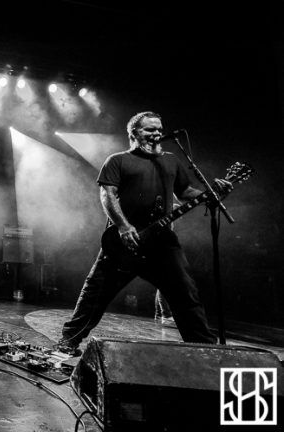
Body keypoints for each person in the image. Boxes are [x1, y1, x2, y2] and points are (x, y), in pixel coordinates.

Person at [57, 111, 232, 356]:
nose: (157, 133)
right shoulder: (118, 160)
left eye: (159, 129)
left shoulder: (171, 160)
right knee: (95, 293)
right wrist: (123, 225)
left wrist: (211, 193)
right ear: (134, 133)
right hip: (124, 241)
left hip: (162, 242)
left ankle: (206, 349)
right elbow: (107, 194)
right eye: (150, 129)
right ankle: (69, 340)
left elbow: (185, 192)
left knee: (186, 293)